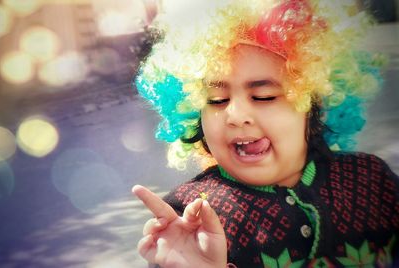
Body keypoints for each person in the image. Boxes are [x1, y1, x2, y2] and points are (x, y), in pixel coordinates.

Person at [132, 0, 399, 267]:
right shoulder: (190, 218)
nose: (235, 115)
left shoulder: (371, 179)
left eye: (264, 96)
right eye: (216, 99)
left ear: (314, 106)